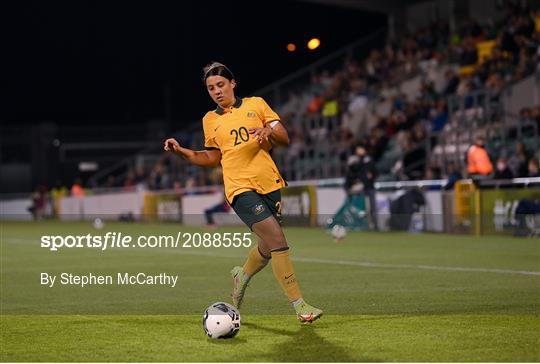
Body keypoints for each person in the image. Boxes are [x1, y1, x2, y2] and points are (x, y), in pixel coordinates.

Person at [164, 62, 322, 323]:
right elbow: (213, 157)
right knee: (278, 240)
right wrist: (182, 152)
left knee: (268, 247)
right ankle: (300, 305)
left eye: (220, 85)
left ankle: (242, 275)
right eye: (210, 88)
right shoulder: (210, 119)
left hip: (269, 183)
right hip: (239, 188)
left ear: (232, 83)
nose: (216, 91)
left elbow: (283, 137)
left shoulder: (256, 104)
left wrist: (268, 131)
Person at [345, 144, 378, 230]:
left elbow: (374, 172)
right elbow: (353, 172)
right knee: (361, 209)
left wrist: (372, 175)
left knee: (372, 208)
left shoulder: (368, 159)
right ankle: (363, 225)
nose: (358, 151)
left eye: (359, 149)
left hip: (369, 187)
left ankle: (374, 226)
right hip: (362, 188)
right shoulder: (357, 161)